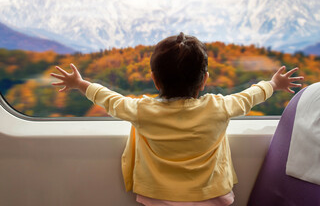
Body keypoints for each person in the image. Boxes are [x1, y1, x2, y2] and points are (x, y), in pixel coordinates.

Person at [51, 32, 304, 206]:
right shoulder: (219, 107)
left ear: (155, 79)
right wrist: (273, 83)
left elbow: (110, 100)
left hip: (158, 197)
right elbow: (250, 96)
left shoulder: (143, 111)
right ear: (204, 79)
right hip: (212, 197)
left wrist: (80, 83)